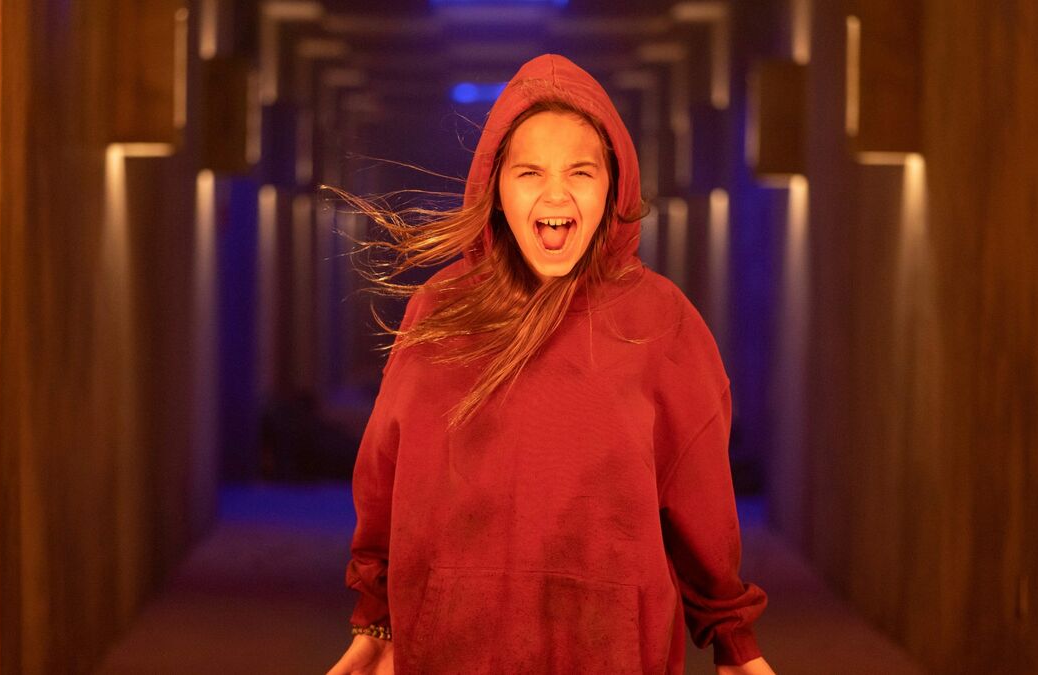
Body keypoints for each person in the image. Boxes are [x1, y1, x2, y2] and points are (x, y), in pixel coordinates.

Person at [325, 53, 773, 675]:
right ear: (497, 189)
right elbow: (386, 474)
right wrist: (377, 618)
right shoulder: (441, 310)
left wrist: (733, 640)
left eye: (580, 172)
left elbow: (700, 498)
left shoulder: (661, 322)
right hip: (456, 650)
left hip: (611, 653)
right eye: (529, 172)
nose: (555, 193)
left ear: (613, 185)